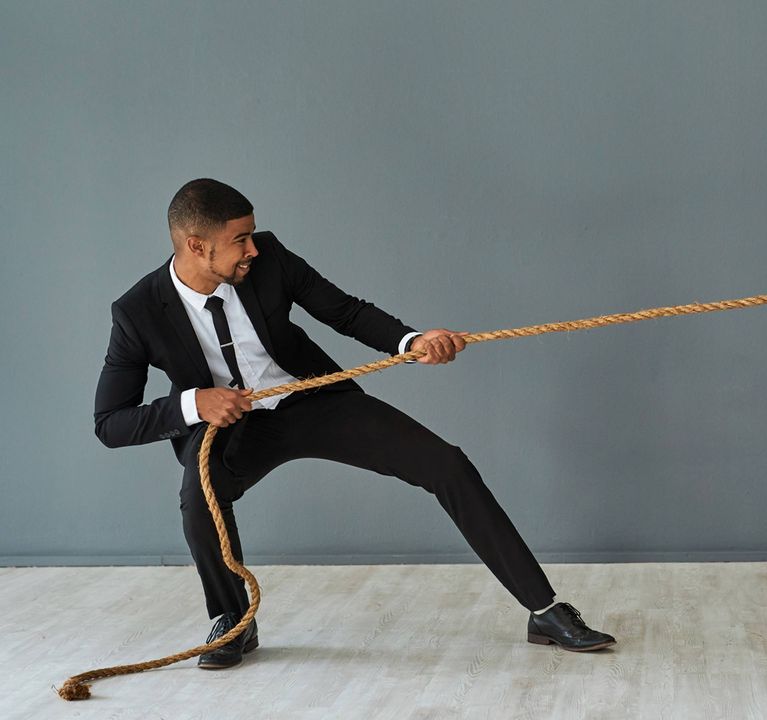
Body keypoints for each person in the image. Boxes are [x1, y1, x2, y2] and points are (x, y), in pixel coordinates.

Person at [94, 178, 615, 669]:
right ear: (196, 246)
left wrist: (411, 343)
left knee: (447, 464)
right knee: (199, 503)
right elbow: (111, 423)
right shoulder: (138, 312)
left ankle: (544, 611)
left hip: (313, 399)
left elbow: (343, 311)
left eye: (252, 236)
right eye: (240, 240)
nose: (253, 249)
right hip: (233, 429)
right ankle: (233, 623)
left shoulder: (270, 257)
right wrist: (194, 404)